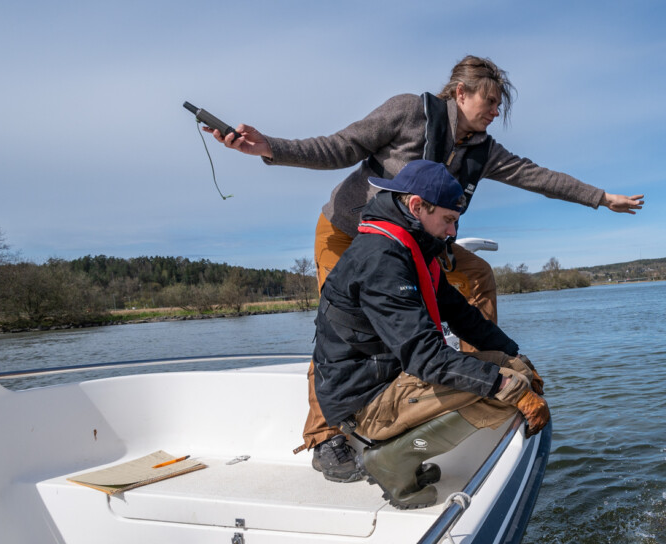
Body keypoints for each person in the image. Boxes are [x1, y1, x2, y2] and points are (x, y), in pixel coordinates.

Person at [207, 56, 642, 479]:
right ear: (460, 92)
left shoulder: (484, 150)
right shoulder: (408, 112)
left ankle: (474, 381)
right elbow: (340, 147)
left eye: (499, 106)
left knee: (477, 276)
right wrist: (270, 148)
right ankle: (324, 436)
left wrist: (601, 198)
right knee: (338, 323)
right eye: (490, 102)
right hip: (348, 231)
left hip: (420, 238)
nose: (496, 112)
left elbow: (536, 176)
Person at [313, 159, 549, 508]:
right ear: (416, 206)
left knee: (517, 371)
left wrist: (516, 355)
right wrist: (507, 384)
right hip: (365, 402)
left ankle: (406, 455)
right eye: (449, 220)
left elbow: (464, 317)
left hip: (387, 381)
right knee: (505, 389)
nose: (452, 232)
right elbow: (425, 358)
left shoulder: (410, 250)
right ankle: (391, 461)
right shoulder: (382, 261)